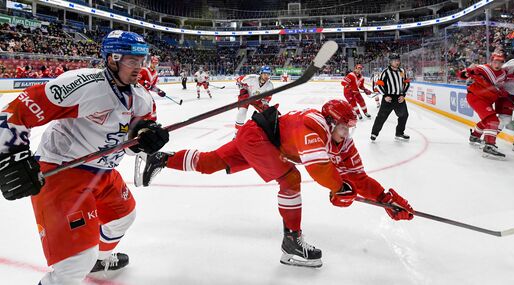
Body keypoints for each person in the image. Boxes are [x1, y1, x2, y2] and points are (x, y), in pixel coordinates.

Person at [139, 99, 414, 268]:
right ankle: (291, 242)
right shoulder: (313, 125)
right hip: (259, 137)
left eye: (349, 128)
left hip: (261, 137)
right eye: (343, 127)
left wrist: (384, 198)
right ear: (330, 122)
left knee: (210, 163)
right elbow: (319, 169)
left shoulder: (342, 141)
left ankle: (161, 159)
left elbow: (357, 177)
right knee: (290, 178)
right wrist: (337, 188)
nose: (346, 133)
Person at [0, 30, 170, 284]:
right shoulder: (83, 86)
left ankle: (99, 260)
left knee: (123, 217)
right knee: (74, 264)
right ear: (112, 59)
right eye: (132, 60)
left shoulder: (142, 98)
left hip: (103, 171)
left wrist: (144, 138)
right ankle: (82, 264)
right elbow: (17, 110)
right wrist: (11, 156)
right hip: (62, 169)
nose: (139, 67)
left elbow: (132, 136)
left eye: (141, 60)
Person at [459, 52, 508, 159]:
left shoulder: (503, 74)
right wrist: (466, 73)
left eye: (500, 62)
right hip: (476, 97)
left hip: (488, 100)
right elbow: (462, 75)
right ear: (491, 61)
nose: (497, 64)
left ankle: (475, 136)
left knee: (487, 120)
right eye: (495, 61)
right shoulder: (482, 68)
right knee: (493, 120)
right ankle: (489, 146)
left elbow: (500, 87)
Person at [370, 53, 411, 142]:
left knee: (404, 115)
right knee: (381, 116)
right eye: (395, 60)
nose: (397, 62)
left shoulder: (402, 71)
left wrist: (403, 95)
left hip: (399, 98)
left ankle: (399, 133)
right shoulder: (385, 72)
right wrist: (385, 95)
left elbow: (407, 83)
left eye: (398, 60)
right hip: (388, 98)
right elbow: (379, 85)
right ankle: (374, 133)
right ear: (391, 62)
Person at [234, 66, 274, 132]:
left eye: (268, 74)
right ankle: (237, 133)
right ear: (261, 73)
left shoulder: (270, 85)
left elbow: (267, 98)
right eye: (265, 74)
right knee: (242, 112)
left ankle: (266, 132)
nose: (266, 76)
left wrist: (265, 105)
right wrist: (240, 85)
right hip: (246, 97)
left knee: (267, 114)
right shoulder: (251, 78)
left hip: (258, 100)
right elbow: (239, 79)